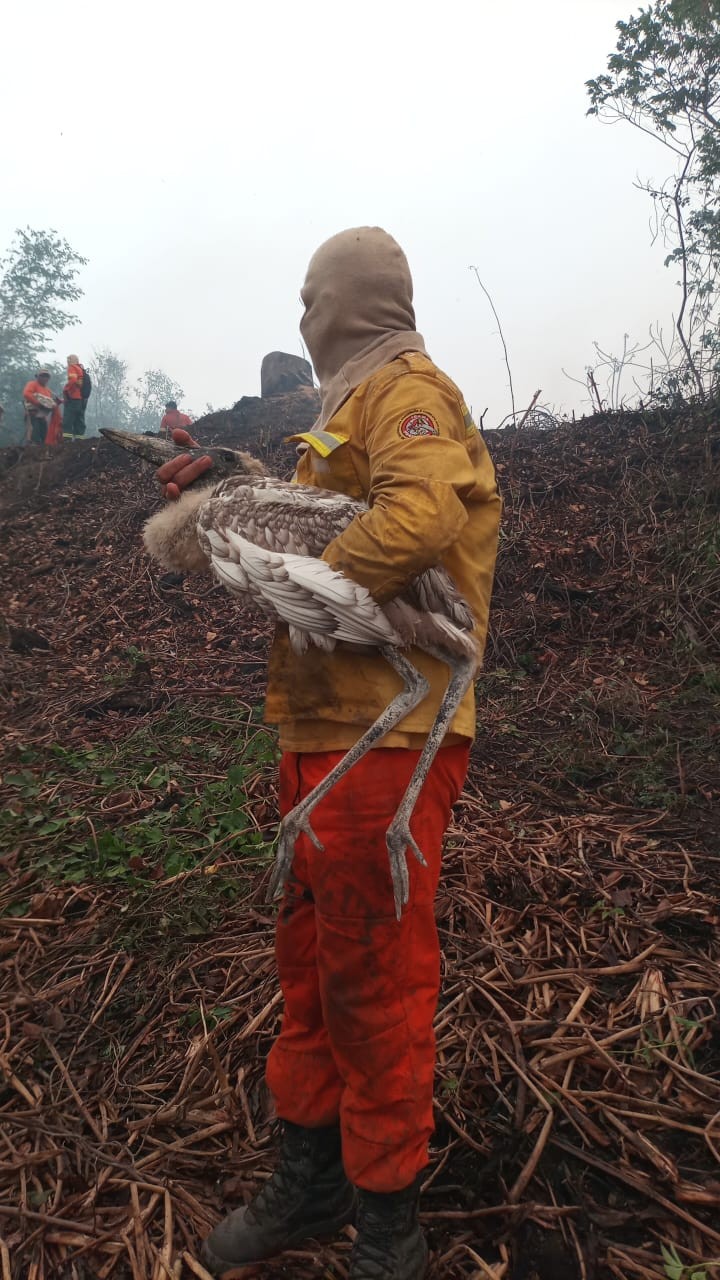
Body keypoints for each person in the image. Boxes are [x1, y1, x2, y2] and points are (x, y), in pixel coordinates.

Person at [154, 228, 501, 1280]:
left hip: (386, 739)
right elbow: (324, 503)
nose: (306, 316)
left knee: (375, 976)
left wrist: (309, 582)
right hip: (320, 736)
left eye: (313, 297)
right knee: (309, 968)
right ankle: (310, 1175)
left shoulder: (407, 387)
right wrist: (232, 492)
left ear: (340, 304)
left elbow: (420, 510)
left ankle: (389, 1216)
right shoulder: (346, 402)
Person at [23, 368, 58, 445]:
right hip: (33, 413)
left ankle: (42, 451)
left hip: (42, 416)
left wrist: (56, 403)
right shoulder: (32, 384)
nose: (44, 378)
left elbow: (49, 403)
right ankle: (33, 449)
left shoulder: (48, 390)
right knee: (35, 434)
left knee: (44, 435)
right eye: (42, 376)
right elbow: (26, 394)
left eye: (46, 376)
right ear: (38, 377)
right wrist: (38, 403)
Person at [63, 354, 88, 440]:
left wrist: (66, 389)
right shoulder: (81, 369)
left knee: (68, 421)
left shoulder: (72, 367)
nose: (67, 362)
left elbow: (73, 380)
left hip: (73, 399)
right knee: (79, 421)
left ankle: (67, 441)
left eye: (68, 360)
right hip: (81, 401)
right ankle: (79, 441)